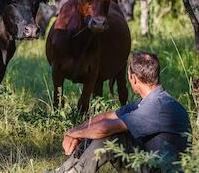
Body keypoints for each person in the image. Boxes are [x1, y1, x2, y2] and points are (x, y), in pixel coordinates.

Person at [50, 52, 191, 173]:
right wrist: (77, 131)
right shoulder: (149, 100)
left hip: (163, 169)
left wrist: (73, 133)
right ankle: (63, 170)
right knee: (95, 130)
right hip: (151, 163)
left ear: (133, 78)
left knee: (111, 137)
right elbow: (107, 116)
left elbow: (106, 128)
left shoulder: (160, 106)